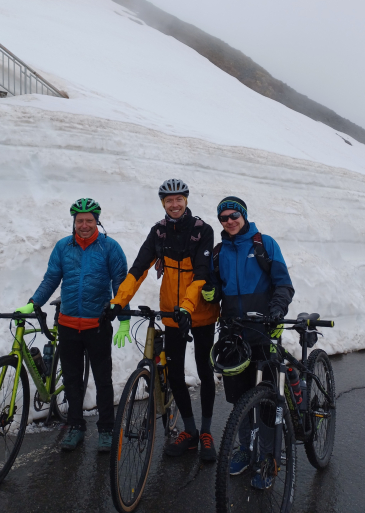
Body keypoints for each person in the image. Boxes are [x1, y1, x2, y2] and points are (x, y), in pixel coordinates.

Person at [111, 179, 219, 461]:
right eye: (168, 200)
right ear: (163, 203)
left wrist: (186, 307)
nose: (174, 204)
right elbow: (138, 268)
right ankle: (191, 431)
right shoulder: (158, 232)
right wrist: (119, 300)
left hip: (201, 314)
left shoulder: (202, 231)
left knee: (205, 372)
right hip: (172, 314)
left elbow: (202, 274)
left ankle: (207, 432)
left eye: (178, 199)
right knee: (174, 374)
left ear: (186, 199)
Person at [15, 198, 130, 452]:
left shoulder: (110, 248)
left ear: (96, 220)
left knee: (103, 379)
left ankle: (107, 430)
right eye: (80, 221)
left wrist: (123, 320)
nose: (84, 225)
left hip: (97, 325)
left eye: (89, 220)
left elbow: (121, 285)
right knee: (71, 379)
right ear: (74, 222)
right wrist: (34, 302)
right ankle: (75, 426)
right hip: (68, 325)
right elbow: (51, 279)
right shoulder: (63, 247)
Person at [203, 196, 294, 488]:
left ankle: (268, 457)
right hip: (233, 334)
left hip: (264, 331)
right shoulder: (219, 252)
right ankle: (245, 450)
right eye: (224, 217)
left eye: (234, 215)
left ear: (243, 215)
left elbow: (283, 283)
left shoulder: (264, 244)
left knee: (266, 398)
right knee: (240, 399)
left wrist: (277, 311)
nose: (229, 221)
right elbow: (218, 285)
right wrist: (210, 291)